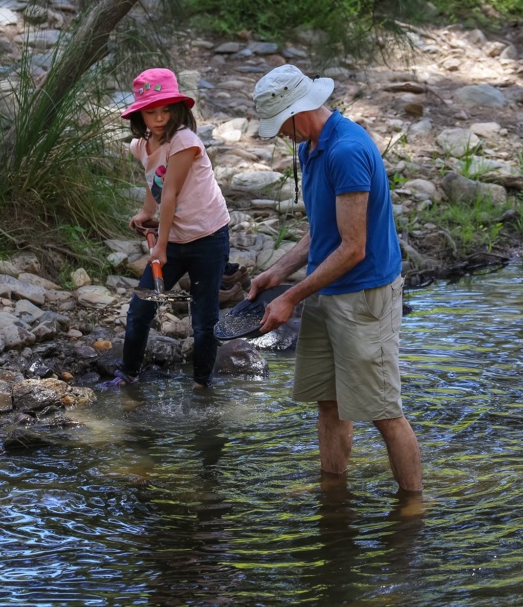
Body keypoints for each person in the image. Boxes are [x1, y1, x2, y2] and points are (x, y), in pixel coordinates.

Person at [247, 64, 422, 493]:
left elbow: (353, 248)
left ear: (298, 110)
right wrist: (277, 273)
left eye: (280, 125)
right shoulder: (311, 146)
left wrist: (291, 298)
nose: (280, 135)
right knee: (329, 402)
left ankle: (413, 505)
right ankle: (333, 490)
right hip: (329, 291)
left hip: (365, 297)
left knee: (384, 411)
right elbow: (322, 231)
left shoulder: (345, 151)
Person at [113, 68, 231, 390]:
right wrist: (144, 213)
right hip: (174, 237)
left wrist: (160, 247)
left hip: (208, 236)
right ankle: (128, 375)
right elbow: (156, 186)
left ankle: (202, 384)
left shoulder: (185, 141)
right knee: (141, 308)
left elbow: (171, 192)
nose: (160, 118)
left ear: (178, 110)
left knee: (204, 320)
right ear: (140, 115)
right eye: (152, 112)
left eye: (166, 110)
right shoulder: (142, 145)